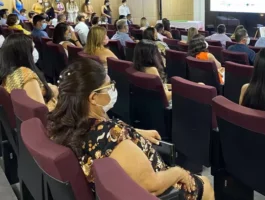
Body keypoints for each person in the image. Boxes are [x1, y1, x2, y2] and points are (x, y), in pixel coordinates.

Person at [47, 58, 213, 200]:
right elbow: (152, 185)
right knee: (205, 184)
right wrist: (179, 173)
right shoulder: (110, 135)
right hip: (161, 190)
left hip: (115, 185)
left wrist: (133, 132)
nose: (112, 89)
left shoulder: (68, 122)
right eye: (108, 86)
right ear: (93, 97)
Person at [0, 34, 57, 111]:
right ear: (24, 54)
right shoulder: (26, 74)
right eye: (32, 50)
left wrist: (47, 89)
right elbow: (40, 113)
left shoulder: (7, 73)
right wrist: (54, 97)